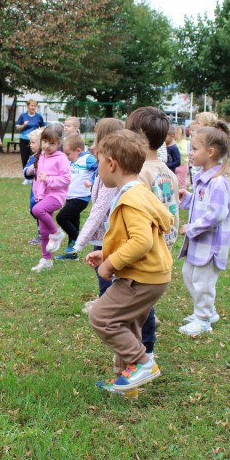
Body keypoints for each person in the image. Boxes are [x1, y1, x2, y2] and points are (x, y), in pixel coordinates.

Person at [87, 129, 174, 396]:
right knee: (128, 323)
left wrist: (109, 264)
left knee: (101, 317)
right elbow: (134, 237)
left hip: (142, 278)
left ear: (111, 164)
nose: (98, 167)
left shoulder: (131, 198)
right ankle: (126, 383)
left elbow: (141, 241)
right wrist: (106, 253)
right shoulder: (139, 191)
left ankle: (143, 363)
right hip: (152, 275)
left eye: (99, 161)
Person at [125, 106, 180, 354]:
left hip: (144, 251)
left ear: (140, 136)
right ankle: (146, 350)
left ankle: (144, 353)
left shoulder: (139, 174)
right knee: (145, 304)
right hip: (163, 249)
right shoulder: (168, 172)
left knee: (135, 307)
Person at [177, 121, 230, 336]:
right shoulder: (204, 179)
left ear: (210, 152)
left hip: (210, 245)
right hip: (199, 243)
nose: (190, 153)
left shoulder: (217, 182)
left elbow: (217, 214)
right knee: (188, 274)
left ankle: (203, 320)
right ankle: (207, 312)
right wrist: (187, 198)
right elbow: (202, 203)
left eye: (194, 148)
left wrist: (192, 227)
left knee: (203, 282)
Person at [73, 118, 124, 314]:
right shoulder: (106, 170)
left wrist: (80, 241)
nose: (93, 146)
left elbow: (99, 209)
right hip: (104, 232)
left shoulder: (112, 175)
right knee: (103, 268)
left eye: (96, 140)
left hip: (107, 234)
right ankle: (106, 301)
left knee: (105, 269)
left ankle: (107, 306)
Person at [29, 126, 70, 272]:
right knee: (43, 231)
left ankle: (57, 233)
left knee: (37, 210)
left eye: (52, 143)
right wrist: (37, 192)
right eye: (45, 141)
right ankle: (46, 260)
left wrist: (49, 179)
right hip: (42, 196)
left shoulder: (61, 158)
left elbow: (66, 179)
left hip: (56, 196)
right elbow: (37, 178)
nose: (47, 146)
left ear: (59, 143)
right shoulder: (41, 156)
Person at [54, 133, 97, 260]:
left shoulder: (87, 159)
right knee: (73, 223)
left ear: (78, 150)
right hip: (70, 197)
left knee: (61, 217)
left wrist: (92, 181)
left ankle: (78, 239)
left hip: (81, 198)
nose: (66, 157)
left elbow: (99, 169)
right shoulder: (72, 159)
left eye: (68, 154)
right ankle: (72, 254)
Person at [16, 99, 45, 182]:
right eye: (32, 105)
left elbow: (43, 126)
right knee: (24, 158)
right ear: (28, 106)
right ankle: (26, 177)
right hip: (24, 139)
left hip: (34, 140)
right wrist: (24, 125)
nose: (33, 107)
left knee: (34, 157)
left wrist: (40, 132)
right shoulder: (23, 116)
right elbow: (17, 127)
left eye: (35, 106)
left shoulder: (38, 116)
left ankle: (34, 175)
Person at [23, 128, 43, 244]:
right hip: (35, 189)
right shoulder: (33, 158)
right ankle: (46, 229)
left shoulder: (49, 157)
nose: (30, 145)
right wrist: (31, 169)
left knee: (40, 210)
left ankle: (42, 234)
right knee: (33, 209)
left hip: (45, 190)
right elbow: (26, 172)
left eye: (33, 142)